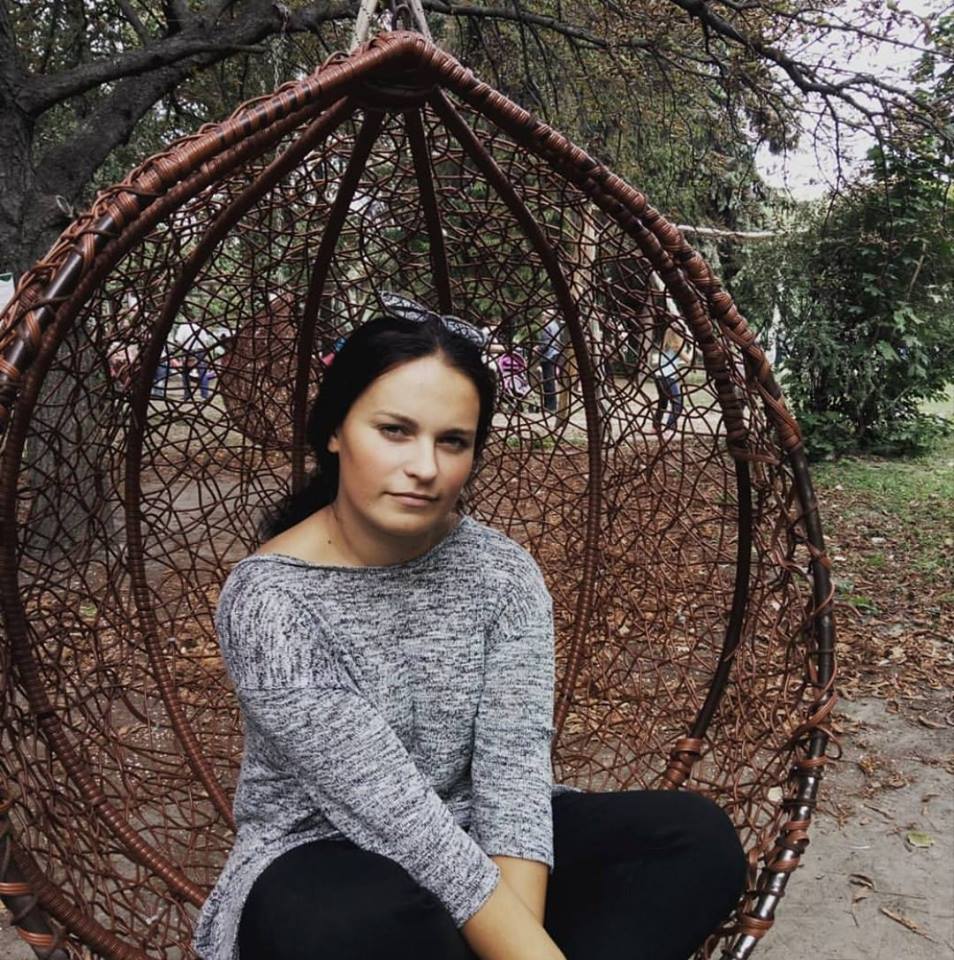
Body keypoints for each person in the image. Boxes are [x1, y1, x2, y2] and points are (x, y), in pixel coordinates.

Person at [191, 295, 746, 960]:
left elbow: (513, 769)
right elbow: (392, 812)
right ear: (335, 431)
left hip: (472, 831)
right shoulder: (271, 597)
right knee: (362, 925)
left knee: (693, 839)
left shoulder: (502, 575)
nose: (425, 467)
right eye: (395, 430)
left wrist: (518, 931)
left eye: (452, 441)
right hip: (324, 857)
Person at [653, 324, 694, 436]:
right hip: (668, 377)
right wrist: (693, 348)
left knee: (663, 402)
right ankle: (670, 428)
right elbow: (688, 360)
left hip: (658, 376)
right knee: (677, 403)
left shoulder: (665, 346)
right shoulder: (676, 347)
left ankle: (656, 426)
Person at [175, 315, 212, 401]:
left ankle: (187, 395)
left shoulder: (183, 327)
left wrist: (181, 351)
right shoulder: (200, 327)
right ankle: (204, 395)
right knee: (202, 373)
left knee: (185, 374)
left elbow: (179, 341)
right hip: (200, 351)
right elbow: (205, 342)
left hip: (187, 351)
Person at [535, 312, 563, 414]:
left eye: (542, 315)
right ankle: (550, 404)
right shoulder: (555, 325)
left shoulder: (547, 326)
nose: (540, 317)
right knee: (550, 380)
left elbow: (546, 343)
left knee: (548, 380)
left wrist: (538, 349)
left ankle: (550, 405)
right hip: (555, 353)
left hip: (548, 355)